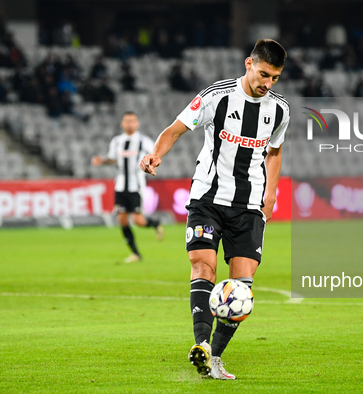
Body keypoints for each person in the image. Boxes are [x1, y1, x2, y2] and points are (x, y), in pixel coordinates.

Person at [139, 38, 289, 380]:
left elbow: (275, 153)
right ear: (249, 64)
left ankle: (214, 356)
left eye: (275, 78)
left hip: (249, 206)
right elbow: (175, 129)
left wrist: (270, 195)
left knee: (243, 287)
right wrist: (156, 154)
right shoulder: (216, 97)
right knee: (202, 267)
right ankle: (202, 344)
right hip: (207, 199)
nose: (268, 84)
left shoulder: (280, 110)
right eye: (264, 74)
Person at [92, 112, 164, 262]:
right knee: (122, 221)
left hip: (135, 186)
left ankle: (155, 223)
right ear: (122, 124)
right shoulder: (117, 141)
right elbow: (112, 159)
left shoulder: (144, 141)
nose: (130, 124)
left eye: (132, 121)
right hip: (120, 186)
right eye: (127, 121)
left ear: (137, 124)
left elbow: (155, 155)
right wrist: (102, 161)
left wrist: (152, 164)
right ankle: (136, 254)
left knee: (138, 220)